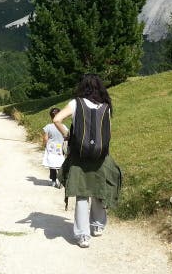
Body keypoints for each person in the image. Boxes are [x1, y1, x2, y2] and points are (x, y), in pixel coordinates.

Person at [53, 74, 122, 249]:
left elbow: (57, 119)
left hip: (79, 156)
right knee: (99, 190)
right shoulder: (105, 106)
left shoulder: (76, 103)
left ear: (82, 87)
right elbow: (108, 133)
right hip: (100, 157)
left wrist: (67, 135)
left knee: (82, 194)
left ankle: (83, 235)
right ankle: (98, 226)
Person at [42, 107, 66, 188]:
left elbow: (45, 138)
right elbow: (67, 137)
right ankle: (61, 180)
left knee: (52, 165)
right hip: (60, 149)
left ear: (50, 116)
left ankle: (53, 180)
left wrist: (44, 144)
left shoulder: (48, 127)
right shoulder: (64, 127)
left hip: (51, 149)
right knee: (60, 164)